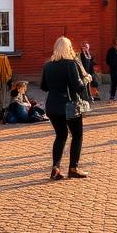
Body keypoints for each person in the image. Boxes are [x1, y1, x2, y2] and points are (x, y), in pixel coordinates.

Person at [39, 37, 88, 180]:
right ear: (69, 48)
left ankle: (56, 167)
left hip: (52, 106)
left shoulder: (48, 65)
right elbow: (77, 86)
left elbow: (43, 86)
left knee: (60, 136)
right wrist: (85, 79)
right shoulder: (71, 64)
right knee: (77, 135)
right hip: (69, 106)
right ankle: (73, 168)